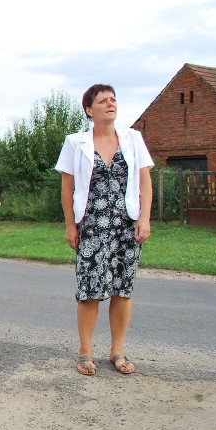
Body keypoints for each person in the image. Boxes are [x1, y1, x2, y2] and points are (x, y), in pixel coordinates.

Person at [55, 84, 154, 376]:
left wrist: (145, 218)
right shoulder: (75, 142)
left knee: (123, 288)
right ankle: (86, 352)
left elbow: (145, 182)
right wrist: (71, 226)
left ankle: (117, 351)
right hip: (92, 226)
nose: (110, 104)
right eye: (103, 101)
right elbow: (67, 187)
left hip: (127, 224)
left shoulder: (133, 139)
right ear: (90, 110)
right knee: (89, 290)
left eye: (113, 99)